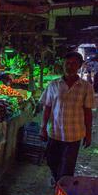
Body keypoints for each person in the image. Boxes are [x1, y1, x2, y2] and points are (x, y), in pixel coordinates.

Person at [40, 52, 94, 186]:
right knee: (51, 160)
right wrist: (43, 128)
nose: (70, 66)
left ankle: (62, 189)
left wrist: (88, 133)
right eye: (67, 63)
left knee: (67, 168)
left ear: (80, 66)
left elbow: (88, 111)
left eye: (74, 64)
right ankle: (57, 179)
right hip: (55, 132)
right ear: (63, 65)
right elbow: (47, 108)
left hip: (74, 134)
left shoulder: (86, 87)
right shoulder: (53, 85)